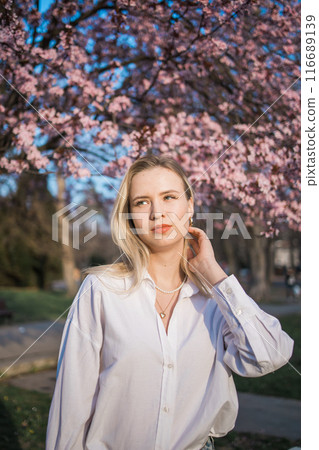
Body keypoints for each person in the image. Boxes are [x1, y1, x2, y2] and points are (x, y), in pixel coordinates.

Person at [46, 155, 294, 450]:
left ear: (189, 206)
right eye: (142, 202)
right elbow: (72, 404)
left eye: (169, 197)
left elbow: (269, 355)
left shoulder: (215, 300)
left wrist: (215, 276)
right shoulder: (101, 290)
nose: (157, 213)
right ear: (129, 216)